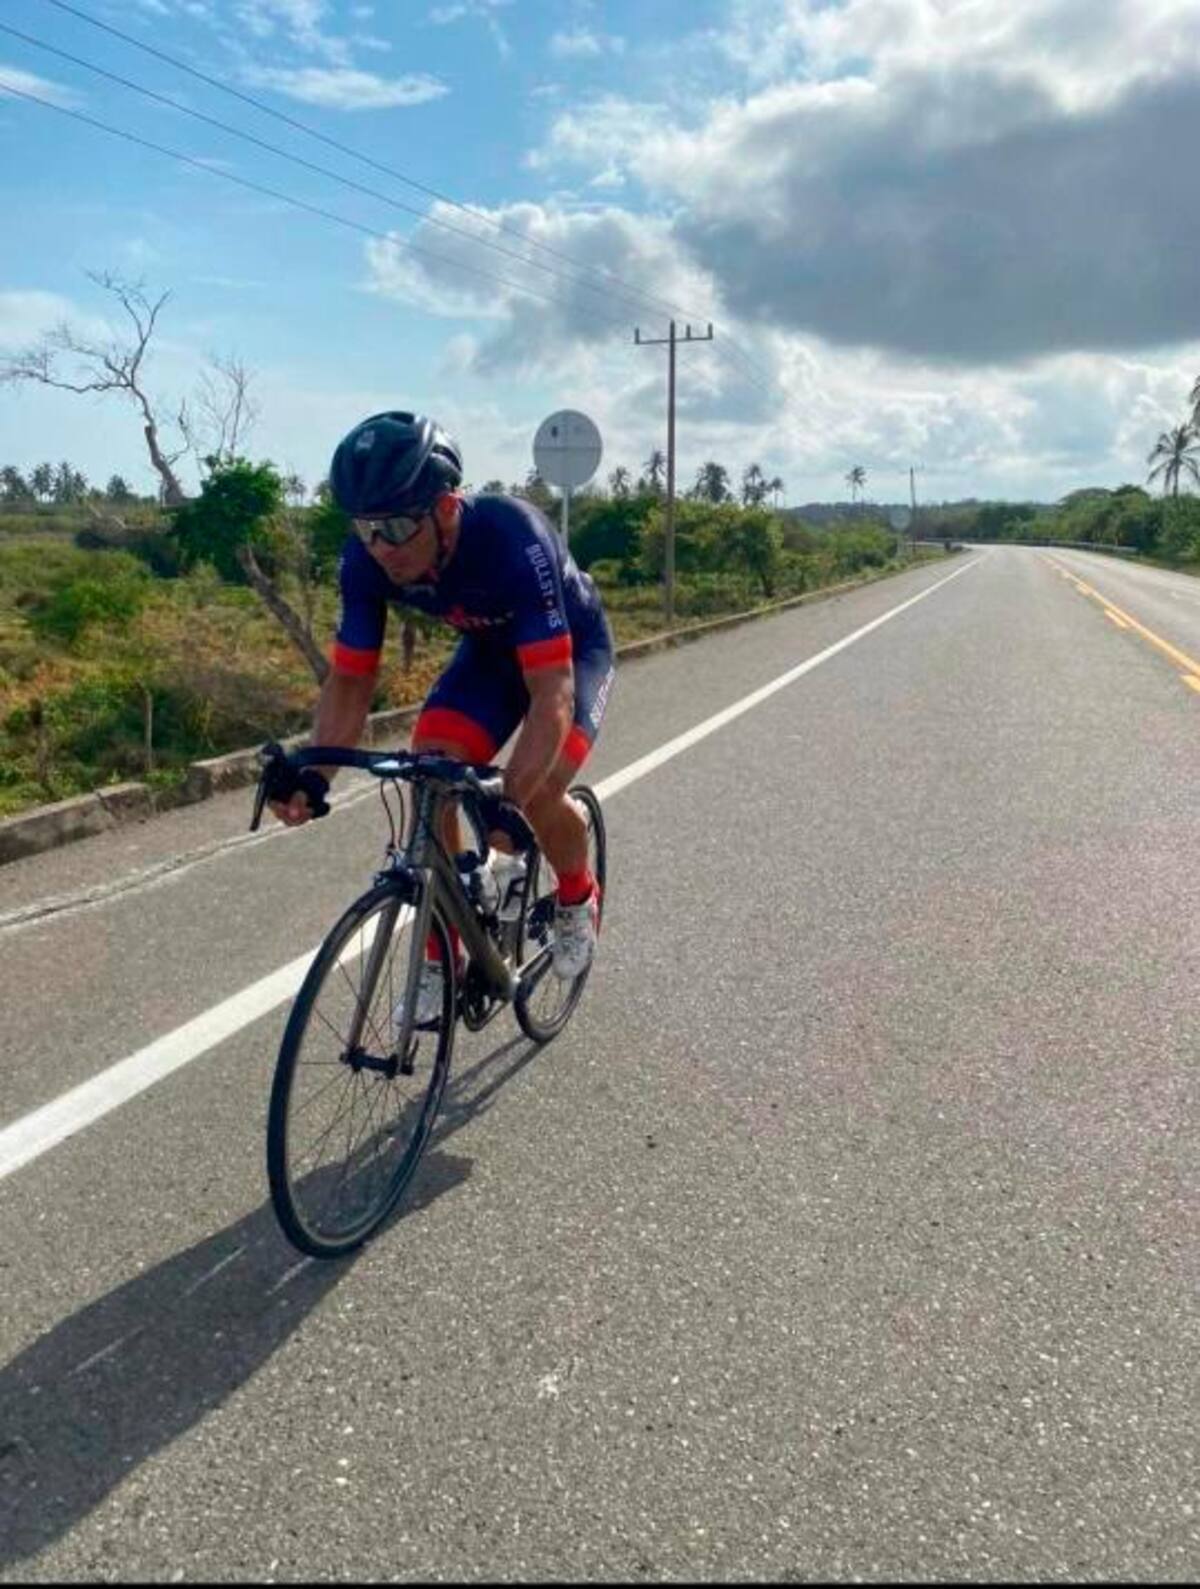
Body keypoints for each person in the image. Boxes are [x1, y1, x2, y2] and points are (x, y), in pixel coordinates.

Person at [266, 409, 615, 1013]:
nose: (381, 546)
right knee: (430, 772)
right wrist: (314, 774)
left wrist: (510, 800)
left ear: (447, 508)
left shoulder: (512, 534)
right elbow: (351, 678)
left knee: (535, 795)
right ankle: (442, 950)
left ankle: (578, 895)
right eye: (366, 527)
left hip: (569, 656)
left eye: (397, 526)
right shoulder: (365, 560)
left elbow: (552, 693)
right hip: (489, 657)